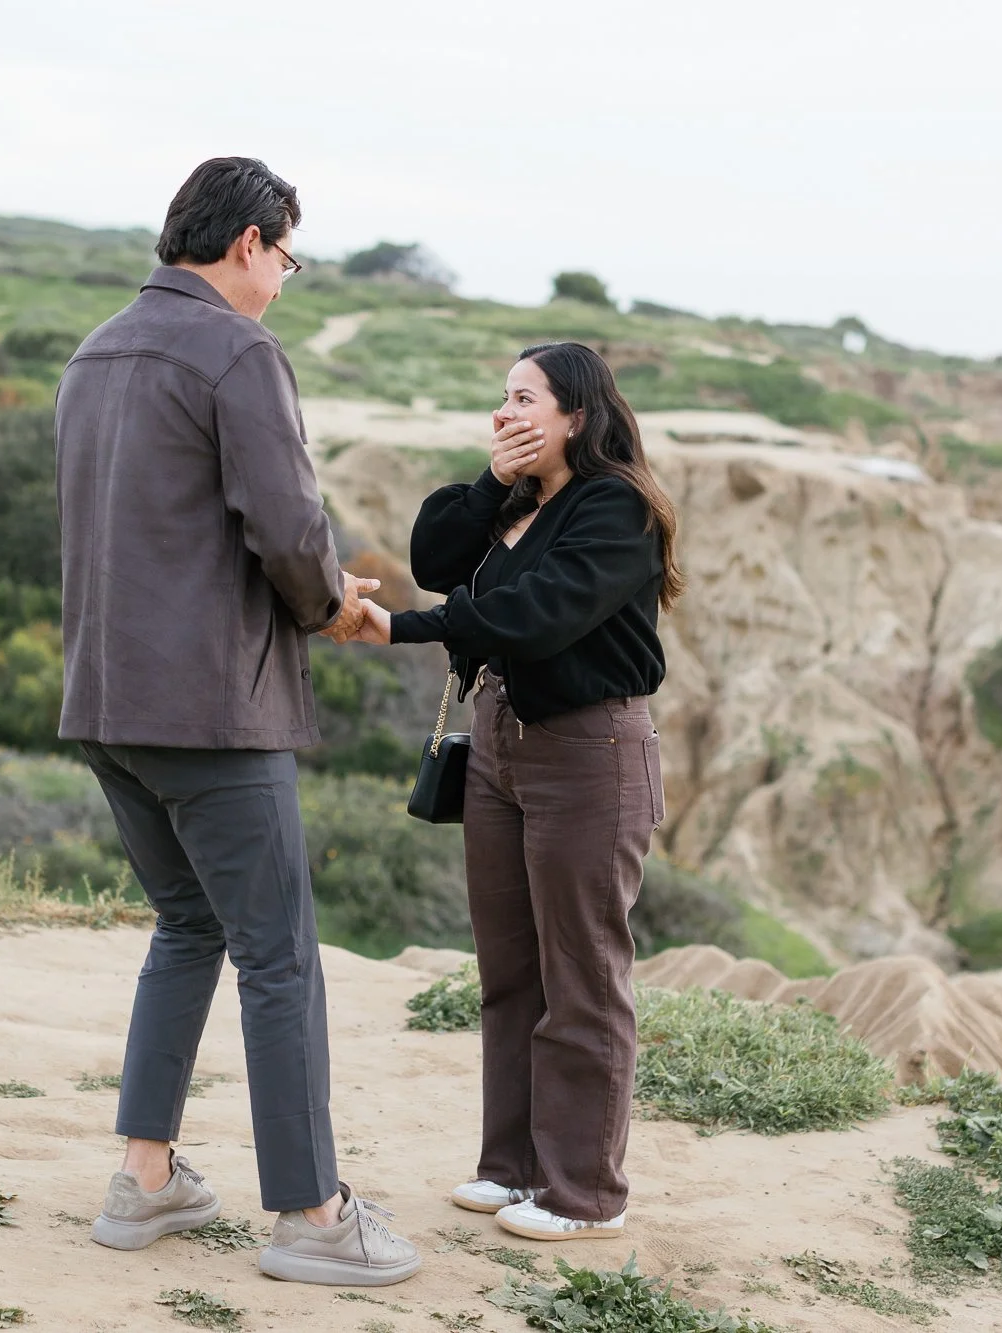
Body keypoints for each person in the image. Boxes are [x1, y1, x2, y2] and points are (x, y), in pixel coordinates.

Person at [56, 156, 420, 1287]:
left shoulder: (94, 349)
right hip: (210, 710)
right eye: (287, 259)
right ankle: (312, 1214)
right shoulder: (236, 349)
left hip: (106, 703)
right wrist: (334, 605)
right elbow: (285, 524)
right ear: (250, 241)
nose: (283, 282)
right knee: (279, 956)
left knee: (186, 927)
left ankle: (146, 1178)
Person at [350, 341, 684, 1242]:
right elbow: (433, 553)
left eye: (526, 398)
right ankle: (514, 1167)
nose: (506, 412)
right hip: (500, 743)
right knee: (510, 972)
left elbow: (537, 617)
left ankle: (584, 1194)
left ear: (577, 413)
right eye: (501, 398)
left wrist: (403, 630)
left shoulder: (614, 508)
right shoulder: (516, 504)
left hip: (588, 750)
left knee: (582, 976)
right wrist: (494, 484)